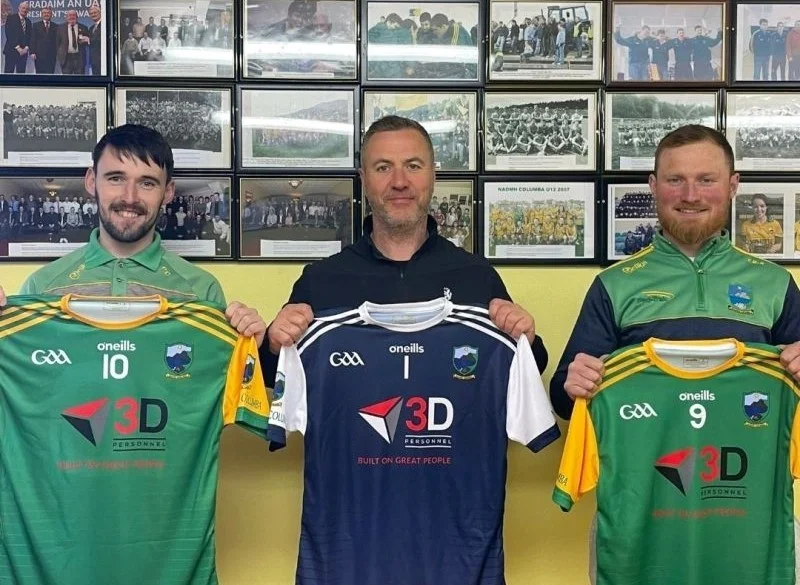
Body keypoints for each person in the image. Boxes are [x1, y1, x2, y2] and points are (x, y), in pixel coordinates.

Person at [263, 115, 546, 385]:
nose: (399, 182)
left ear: (433, 173)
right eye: (383, 167)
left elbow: (522, 373)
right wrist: (273, 345)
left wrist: (528, 339)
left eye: (413, 165)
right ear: (364, 178)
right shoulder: (320, 280)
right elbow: (274, 380)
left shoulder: (477, 276)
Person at [550, 124, 800, 421]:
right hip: (643, 463)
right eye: (675, 180)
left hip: (750, 461)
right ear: (654, 186)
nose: (691, 195)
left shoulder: (775, 282)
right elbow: (564, 403)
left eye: (707, 180)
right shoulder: (614, 284)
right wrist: (573, 384)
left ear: (733, 186)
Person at [0, 124, 265, 348]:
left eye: (147, 183)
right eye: (116, 178)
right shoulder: (41, 287)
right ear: (92, 181)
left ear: (168, 192)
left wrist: (252, 344)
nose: (130, 198)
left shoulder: (202, 290)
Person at [56, 10, 87, 75]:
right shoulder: (60, 28)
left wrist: (85, 41)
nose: (71, 17)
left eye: (73, 15)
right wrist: (59, 55)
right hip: (66, 59)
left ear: (77, 17)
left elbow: (87, 43)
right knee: (66, 80)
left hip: (79, 58)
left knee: (80, 79)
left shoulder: (84, 27)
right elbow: (57, 43)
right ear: (66, 17)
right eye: (69, 15)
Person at [3, 1, 31, 73]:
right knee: (8, 73)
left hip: (23, 53)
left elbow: (29, 36)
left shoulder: (28, 21)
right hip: (11, 51)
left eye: (27, 9)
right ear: (19, 8)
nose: (25, 10)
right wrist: (18, 48)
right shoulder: (11, 18)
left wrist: (26, 48)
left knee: (21, 74)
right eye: (23, 8)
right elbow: (9, 33)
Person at [30, 5, 58, 74]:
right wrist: (32, 52)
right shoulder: (36, 25)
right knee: (39, 75)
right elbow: (33, 39)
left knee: (50, 74)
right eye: (44, 13)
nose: (46, 14)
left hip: (51, 55)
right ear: (41, 15)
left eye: (48, 13)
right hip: (39, 55)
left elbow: (57, 41)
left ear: (51, 14)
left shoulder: (56, 26)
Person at [87, 4, 102, 74]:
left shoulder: (104, 25)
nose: (93, 15)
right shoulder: (91, 28)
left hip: (102, 60)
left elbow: (102, 39)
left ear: (100, 13)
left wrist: (88, 39)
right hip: (93, 60)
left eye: (95, 12)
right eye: (91, 13)